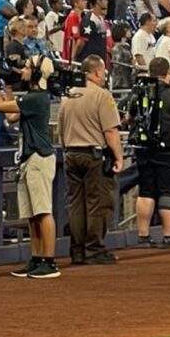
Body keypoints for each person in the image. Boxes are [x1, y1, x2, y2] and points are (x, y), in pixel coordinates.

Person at [58, 52, 123, 266]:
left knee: (76, 204)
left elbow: (60, 128)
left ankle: (77, 250)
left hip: (71, 153)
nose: (105, 74)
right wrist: (119, 157)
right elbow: (111, 132)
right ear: (97, 71)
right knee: (98, 203)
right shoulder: (102, 95)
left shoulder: (68, 95)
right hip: (94, 155)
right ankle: (94, 249)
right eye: (103, 70)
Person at [127, 51, 170, 249]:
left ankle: (143, 236)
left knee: (146, 191)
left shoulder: (140, 92)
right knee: (168, 191)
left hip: (145, 149)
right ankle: (168, 236)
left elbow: (130, 119)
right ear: (168, 73)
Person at [8, 49, 62, 278]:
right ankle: (37, 257)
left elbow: (2, 107)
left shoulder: (36, 97)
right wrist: (7, 87)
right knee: (32, 214)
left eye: (28, 67)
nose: (24, 70)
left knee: (43, 211)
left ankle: (49, 261)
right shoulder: (32, 98)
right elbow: (11, 116)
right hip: (30, 157)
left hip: (39, 158)